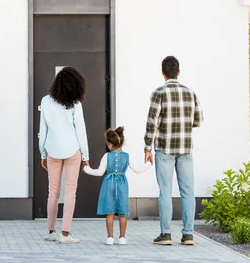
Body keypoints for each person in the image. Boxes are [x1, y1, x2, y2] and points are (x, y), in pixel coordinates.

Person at [143, 56, 204, 246]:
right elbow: (198, 120)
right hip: (185, 148)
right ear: (179, 72)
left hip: (164, 148)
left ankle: (166, 234)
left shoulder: (158, 93)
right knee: (188, 191)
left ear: (162, 72)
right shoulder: (190, 93)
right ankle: (188, 235)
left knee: (165, 191)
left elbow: (151, 123)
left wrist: (146, 147)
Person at [39, 66, 90, 244]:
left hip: (52, 150)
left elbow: (42, 131)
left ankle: (51, 231)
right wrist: (85, 155)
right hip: (72, 151)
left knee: (52, 192)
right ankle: (65, 234)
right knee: (70, 192)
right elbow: (80, 130)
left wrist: (42, 154)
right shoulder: (75, 103)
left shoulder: (46, 101)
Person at [83, 127, 151, 245]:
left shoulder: (106, 156)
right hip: (122, 185)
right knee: (122, 212)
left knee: (109, 212)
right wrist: (149, 163)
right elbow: (138, 170)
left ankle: (110, 238)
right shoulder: (127, 156)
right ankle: (122, 237)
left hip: (108, 185)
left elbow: (99, 172)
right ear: (121, 143)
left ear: (110, 144)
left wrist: (86, 169)